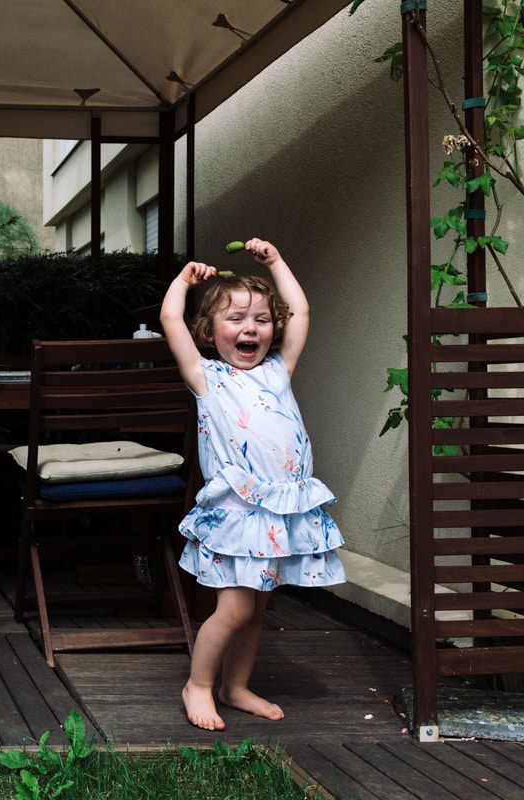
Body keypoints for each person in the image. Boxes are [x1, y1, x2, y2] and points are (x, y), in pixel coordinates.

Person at [158, 238, 345, 731]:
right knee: (236, 606)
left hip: (280, 511)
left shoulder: (278, 372)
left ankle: (234, 687)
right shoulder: (206, 377)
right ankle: (197, 684)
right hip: (239, 513)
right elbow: (171, 321)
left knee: (257, 608)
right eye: (236, 319)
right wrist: (182, 282)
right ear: (209, 330)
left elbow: (300, 310)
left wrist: (278, 262)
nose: (250, 328)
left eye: (261, 320)